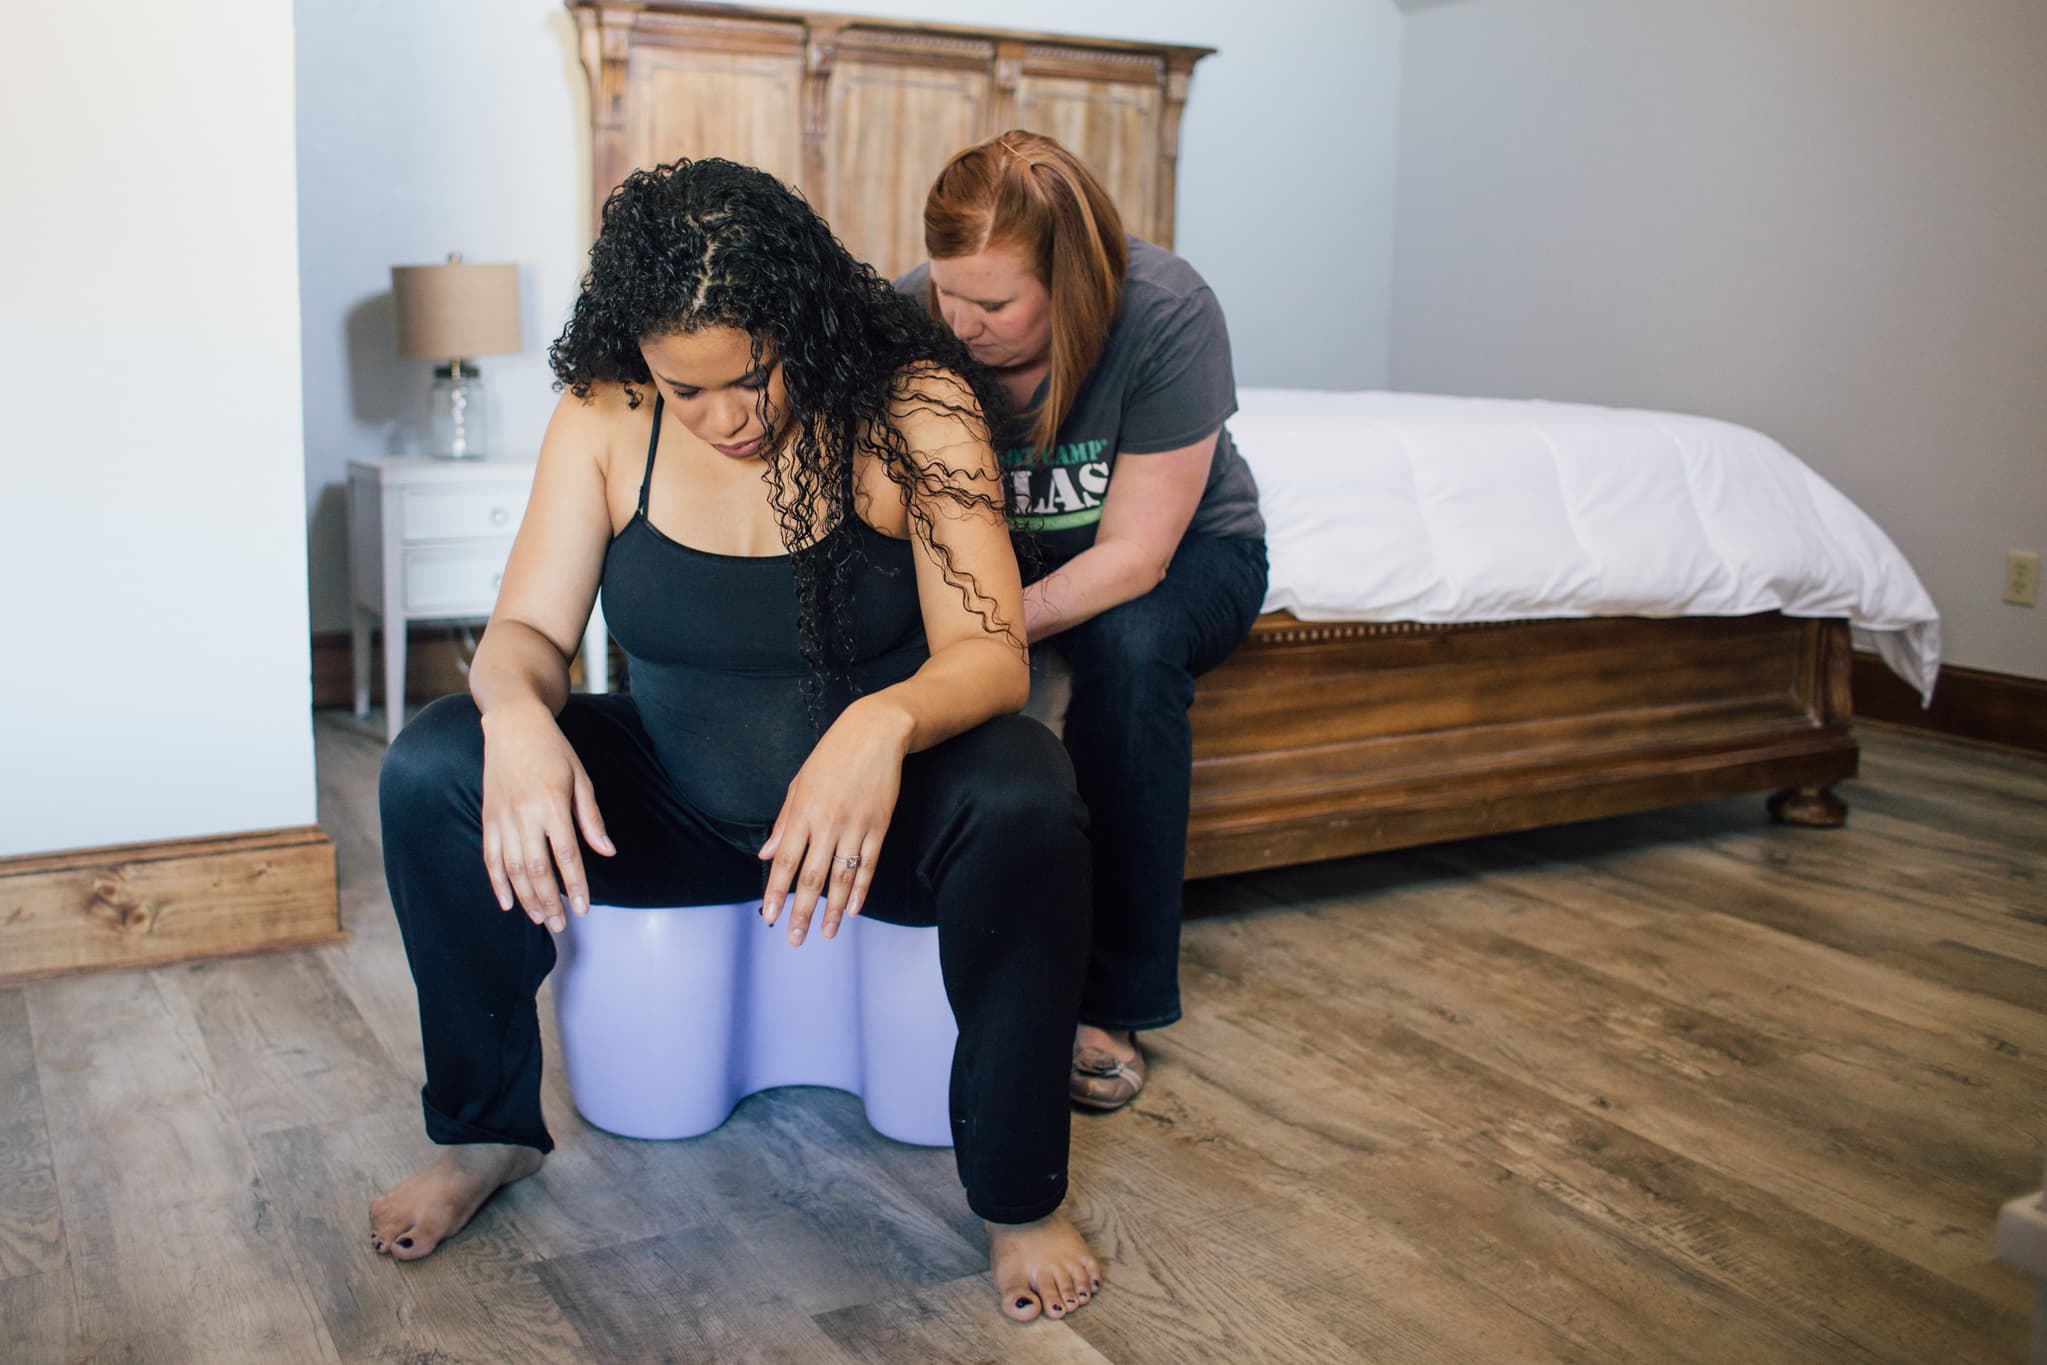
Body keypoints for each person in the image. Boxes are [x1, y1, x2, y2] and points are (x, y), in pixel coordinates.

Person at [369, 157, 1102, 1324]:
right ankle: (484, 1133)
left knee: (1026, 787)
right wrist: (513, 713)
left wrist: (881, 722)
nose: (725, 419)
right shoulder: (606, 417)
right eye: (686, 389)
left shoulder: (917, 407)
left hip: (874, 829)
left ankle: (1019, 1198)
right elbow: (525, 633)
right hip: (676, 805)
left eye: (751, 377)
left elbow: (991, 653)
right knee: (432, 766)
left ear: (801, 323)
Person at [898, 130, 1268, 1112]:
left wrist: (986, 629)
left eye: (993, 305)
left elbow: (1136, 556)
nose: (960, 322)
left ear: (1071, 282)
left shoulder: (1165, 311)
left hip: (1185, 552)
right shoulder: (911, 312)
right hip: (1008, 565)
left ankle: (1113, 1000)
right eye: (947, 291)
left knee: (1129, 644)